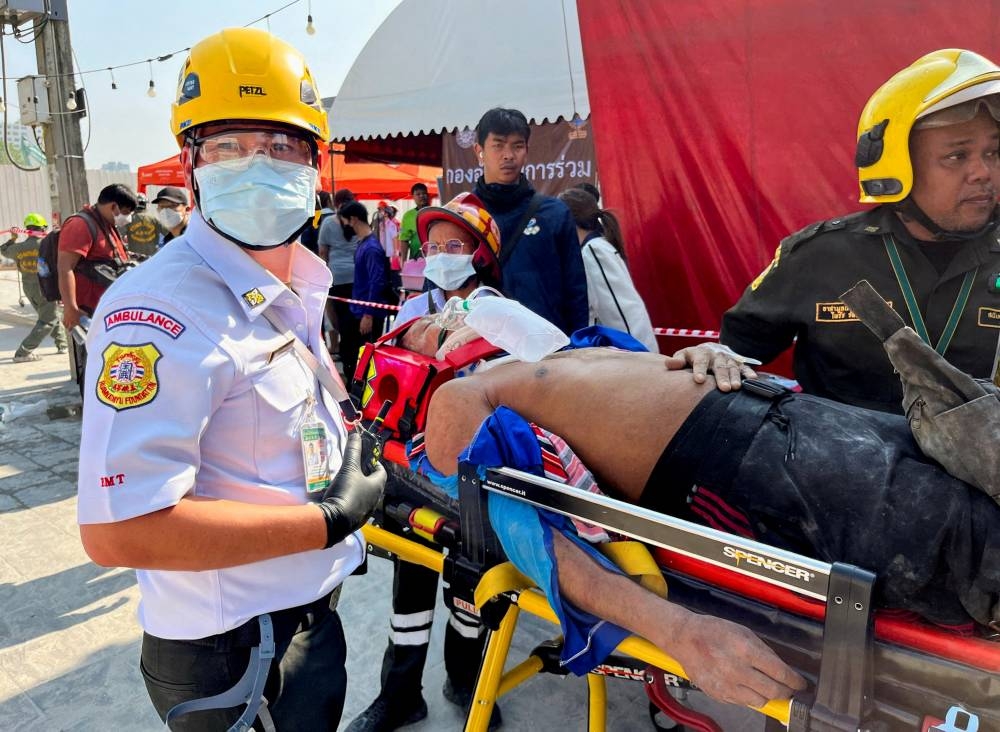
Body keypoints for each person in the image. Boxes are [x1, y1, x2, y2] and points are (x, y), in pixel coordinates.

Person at [75, 28, 386, 731]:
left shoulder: (291, 280)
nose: (258, 164)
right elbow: (119, 532)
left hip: (305, 614)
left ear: (314, 164)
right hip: (234, 650)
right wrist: (327, 519)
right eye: (229, 146)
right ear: (192, 164)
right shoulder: (160, 311)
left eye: (282, 147)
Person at [421, 347, 1000, 703]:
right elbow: (529, 535)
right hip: (748, 462)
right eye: (433, 325)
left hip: (793, 414)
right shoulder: (456, 394)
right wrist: (675, 630)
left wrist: (708, 352)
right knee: (974, 547)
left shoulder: (549, 351)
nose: (451, 315)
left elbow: (650, 374)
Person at [695, 49, 1000, 413]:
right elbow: (736, 353)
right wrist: (714, 355)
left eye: (994, 153)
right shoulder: (820, 255)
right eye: (957, 156)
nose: (983, 172)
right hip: (838, 464)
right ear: (897, 163)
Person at [347, 192, 504, 732]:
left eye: (454, 245)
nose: (441, 254)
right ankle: (399, 694)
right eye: (433, 245)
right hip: (411, 470)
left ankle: (466, 681)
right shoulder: (414, 309)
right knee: (409, 586)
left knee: (469, 590)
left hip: (473, 477)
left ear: (480, 253)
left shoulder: (504, 315)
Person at [473, 107, 588, 336]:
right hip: (481, 352)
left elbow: (576, 293)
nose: (508, 155)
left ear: (526, 150)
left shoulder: (554, 214)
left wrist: (576, 349)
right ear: (479, 151)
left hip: (547, 350)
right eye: (498, 145)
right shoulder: (462, 215)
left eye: (517, 145)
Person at [558, 188, 659, 352]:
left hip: (632, 353)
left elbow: (619, 309)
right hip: (627, 351)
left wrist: (638, 356)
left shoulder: (593, 250)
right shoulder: (598, 246)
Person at [58, 182, 138, 332]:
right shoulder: (80, 225)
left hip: (108, 309)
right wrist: (70, 308)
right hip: (89, 313)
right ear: (113, 207)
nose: (128, 218)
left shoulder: (105, 224)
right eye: (126, 212)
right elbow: (65, 268)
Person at [1, 213, 68, 361]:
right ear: (43, 227)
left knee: (49, 315)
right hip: (45, 288)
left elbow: (3, 250)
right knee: (48, 319)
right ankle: (23, 352)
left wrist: (13, 238)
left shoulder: (18, 248)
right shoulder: (46, 244)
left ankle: (62, 344)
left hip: (29, 288)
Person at [319, 188, 362, 376]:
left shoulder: (328, 223)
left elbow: (322, 253)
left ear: (336, 204)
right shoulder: (357, 220)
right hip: (357, 276)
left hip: (336, 277)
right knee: (355, 323)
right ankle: (357, 364)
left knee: (341, 323)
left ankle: (347, 365)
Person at [341, 200, 392, 344]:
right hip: (360, 311)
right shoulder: (363, 244)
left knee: (365, 360)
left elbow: (377, 282)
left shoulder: (371, 249)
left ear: (354, 219)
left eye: (346, 221)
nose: (345, 226)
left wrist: (368, 315)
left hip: (368, 315)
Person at [398, 182, 431, 261]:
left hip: (434, 258)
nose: (422, 196)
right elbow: (404, 240)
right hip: (416, 259)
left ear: (428, 195)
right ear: (413, 197)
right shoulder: (407, 216)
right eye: (418, 194)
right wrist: (403, 261)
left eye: (424, 193)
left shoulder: (435, 212)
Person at [123, 193, 162, 259]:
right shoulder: (153, 219)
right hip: (151, 256)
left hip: (134, 257)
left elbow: (120, 237)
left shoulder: (127, 220)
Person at [301, 189, 336, 256]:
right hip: (336, 258)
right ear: (329, 201)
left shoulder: (312, 219)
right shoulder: (339, 218)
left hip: (319, 257)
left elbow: (305, 242)